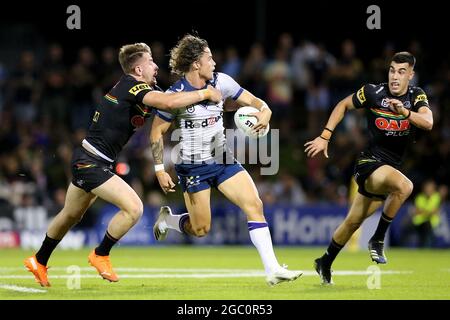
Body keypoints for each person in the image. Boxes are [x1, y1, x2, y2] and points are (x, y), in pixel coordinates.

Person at [24, 42, 222, 287]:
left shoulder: (143, 88)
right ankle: (101, 254)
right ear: (138, 70)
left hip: (91, 159)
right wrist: (205, 93)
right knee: (134, 208)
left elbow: (173, 99)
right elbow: (169, 103)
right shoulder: (133, 85)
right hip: (91, 162)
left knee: (70, 214)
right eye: (150, 62)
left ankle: (39, 260)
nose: (155, 66)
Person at [150, 34, 302, 286]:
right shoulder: (175, 95)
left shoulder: (222, 82)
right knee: (201, 229)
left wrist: (266, 111)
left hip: (222, 157)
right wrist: (159, 169)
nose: (214, 62)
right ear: (196, 64)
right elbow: (156, 131)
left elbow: (255, 102)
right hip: (193, 166)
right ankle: (170, 220)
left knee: (254, 203)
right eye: (209, 58)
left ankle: (272, 269)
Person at [304, 51, 433, 285]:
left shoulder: (416, 96)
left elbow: (428, 122)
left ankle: (324, 261)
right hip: (369, 164)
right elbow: (343, 104)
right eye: (392, 70)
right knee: (405, 186)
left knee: (352, 222)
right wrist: (325, 135)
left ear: (411, 75)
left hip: (389, 170)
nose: (395, 76)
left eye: (401, 72)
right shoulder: (374, 92)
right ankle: (378, 239)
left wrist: (405, 112)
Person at [411, 180, 442, 247]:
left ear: (433, 188)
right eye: (427, 188)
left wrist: (423, 211)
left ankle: (426, 248)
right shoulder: (419, 197)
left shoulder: (437, 197)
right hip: (419, 222)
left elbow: (435, 211)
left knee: (428, 231)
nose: (428, 189)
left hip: (433, 223)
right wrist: (429, 212)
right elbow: (416, 211)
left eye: (430, 188)